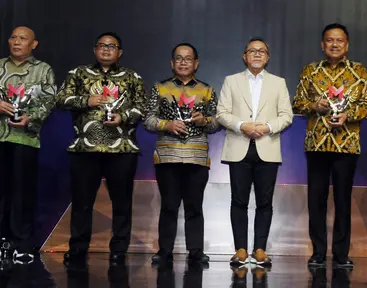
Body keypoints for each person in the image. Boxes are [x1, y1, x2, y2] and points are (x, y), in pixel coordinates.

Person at [56, 32, 146, 264]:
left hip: (122, 149)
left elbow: (142, 108)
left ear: (120, 52)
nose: (106, 50)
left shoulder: (132, 76)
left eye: (112, 46)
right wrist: (87, 101)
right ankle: (78, 247)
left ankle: (119, 249)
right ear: (95, 49)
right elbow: (60, 99)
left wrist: (123, 116)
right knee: (82, 202)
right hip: (85, 148)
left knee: (122, 202)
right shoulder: (78, 73)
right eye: (102, 46)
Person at [293, 23, 367, 268]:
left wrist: (348, 115)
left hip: (346, 146)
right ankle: (318, 252)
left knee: (342, 200)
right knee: (316, 200)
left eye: (339, 40)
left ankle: (341, 254)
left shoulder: (359, 71)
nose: (334, 44)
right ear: (322, 44)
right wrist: (313, 107)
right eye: (330, 40)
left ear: (347, 45)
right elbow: (297, 102)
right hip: (316, 144)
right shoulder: (310, 70)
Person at [217, 37, 293, 266]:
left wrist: (267, 127)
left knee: (265, 202)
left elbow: (286, 115)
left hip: (267, 148)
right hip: (239, 147)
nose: (257, 54)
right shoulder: (231, 81)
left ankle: (260, 249)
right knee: (238, 201)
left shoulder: (279, 83)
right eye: (252, 51)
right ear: (245, 56)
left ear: (268, 57)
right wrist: (243, 125)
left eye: (262, 51)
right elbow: (222, 113)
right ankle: (240, 249)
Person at [144, 43, 219, 264]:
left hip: (197, 157)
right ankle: (164, 250)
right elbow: (147, 119)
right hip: (168, 156)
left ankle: (195, 252)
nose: (183, 62)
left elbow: (217, 122)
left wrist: (203, 120)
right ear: (172, 63)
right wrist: (167, 125)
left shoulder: (207, 90)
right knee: (169, 205)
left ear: (196, 63)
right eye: (178, 58)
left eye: (188, 58)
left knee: (194, 206)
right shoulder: (160, 88)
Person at [0, 26, 56, 263]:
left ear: (34, 44)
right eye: (13, 37)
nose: (16, 41)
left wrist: (31, 117)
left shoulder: (42, 70)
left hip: (24, 138)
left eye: (23, 38)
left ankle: (22, 243)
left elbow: (50, 98)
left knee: (22, 193)